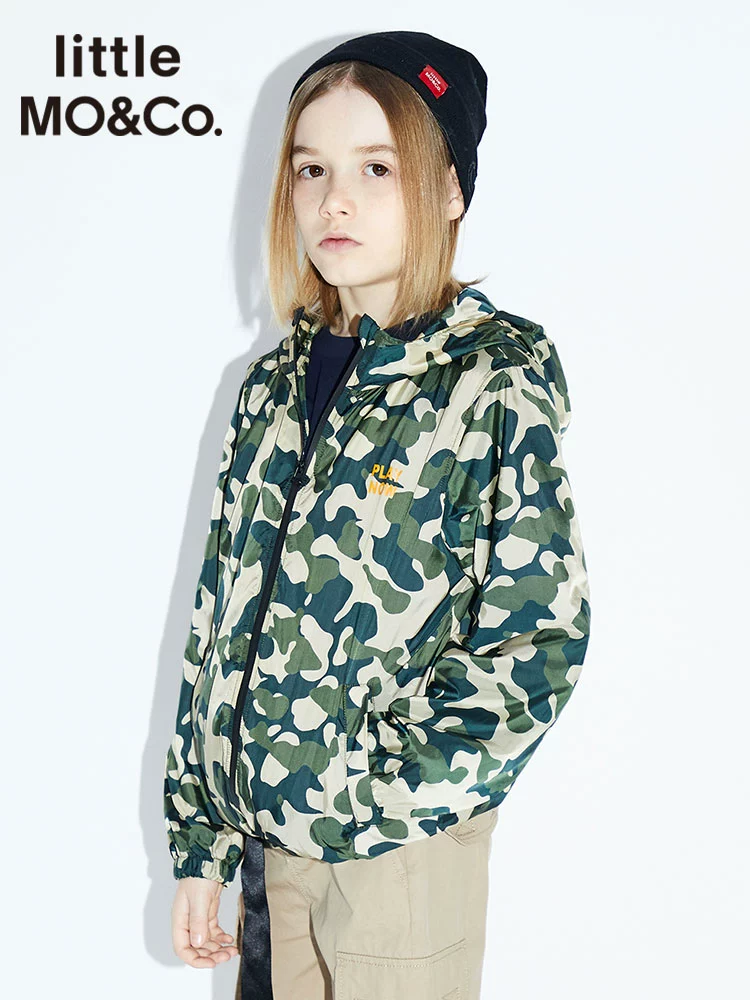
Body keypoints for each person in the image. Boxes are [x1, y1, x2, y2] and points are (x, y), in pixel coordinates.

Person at [163, 30, 592, 1000]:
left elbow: (540, 636)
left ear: (449, 191)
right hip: (271, 848)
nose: (335, 200)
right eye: (311, 168)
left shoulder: (489, 378)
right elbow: (218, 618)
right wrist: (201, 837)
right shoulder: (270, 385)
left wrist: (387, 789)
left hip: (395, 858)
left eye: (376, 168)